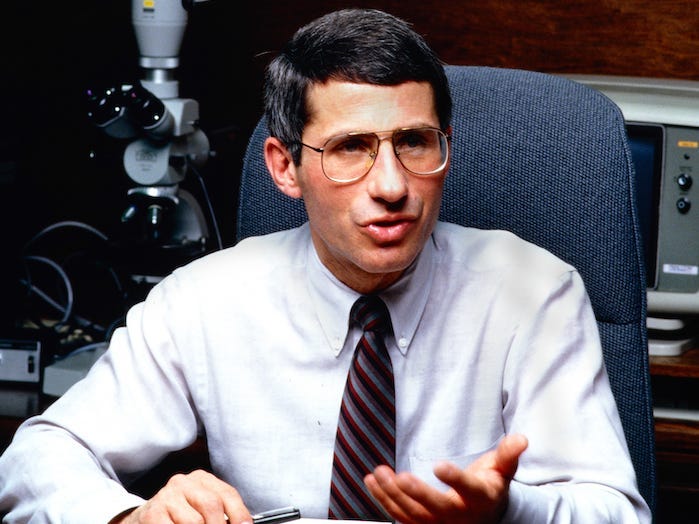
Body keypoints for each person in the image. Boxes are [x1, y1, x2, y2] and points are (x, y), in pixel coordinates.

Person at [0, 8, 650, 523]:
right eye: (351, 148)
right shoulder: (202, 302)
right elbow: (36, 460)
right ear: (285, 167)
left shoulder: (532, 292)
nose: (392, 185)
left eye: (415, 142)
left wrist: (507, 511)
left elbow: (615, 512)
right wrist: (127, 517)